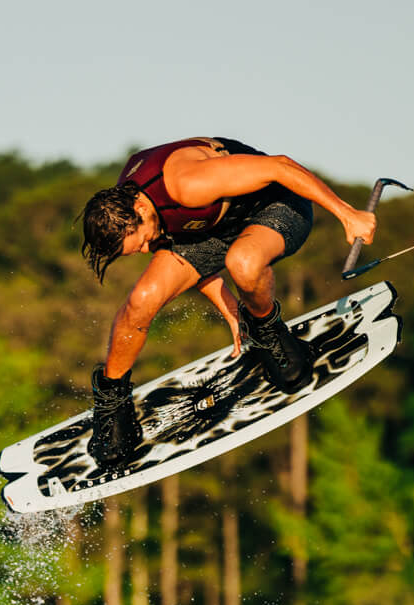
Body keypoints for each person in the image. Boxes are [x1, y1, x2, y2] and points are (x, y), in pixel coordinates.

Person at [77, 137, 377, 468]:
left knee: (244, 262)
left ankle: (268, 331)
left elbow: (280, 166)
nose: (147, 249)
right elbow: (190, 251)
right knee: (140, 301)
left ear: (142, 210)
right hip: (213, 230)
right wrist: (230, 306)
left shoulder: (186, 184)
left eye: (144, 241)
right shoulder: (130, 204)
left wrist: (347, 214)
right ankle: (112, 404)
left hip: (276, 205)